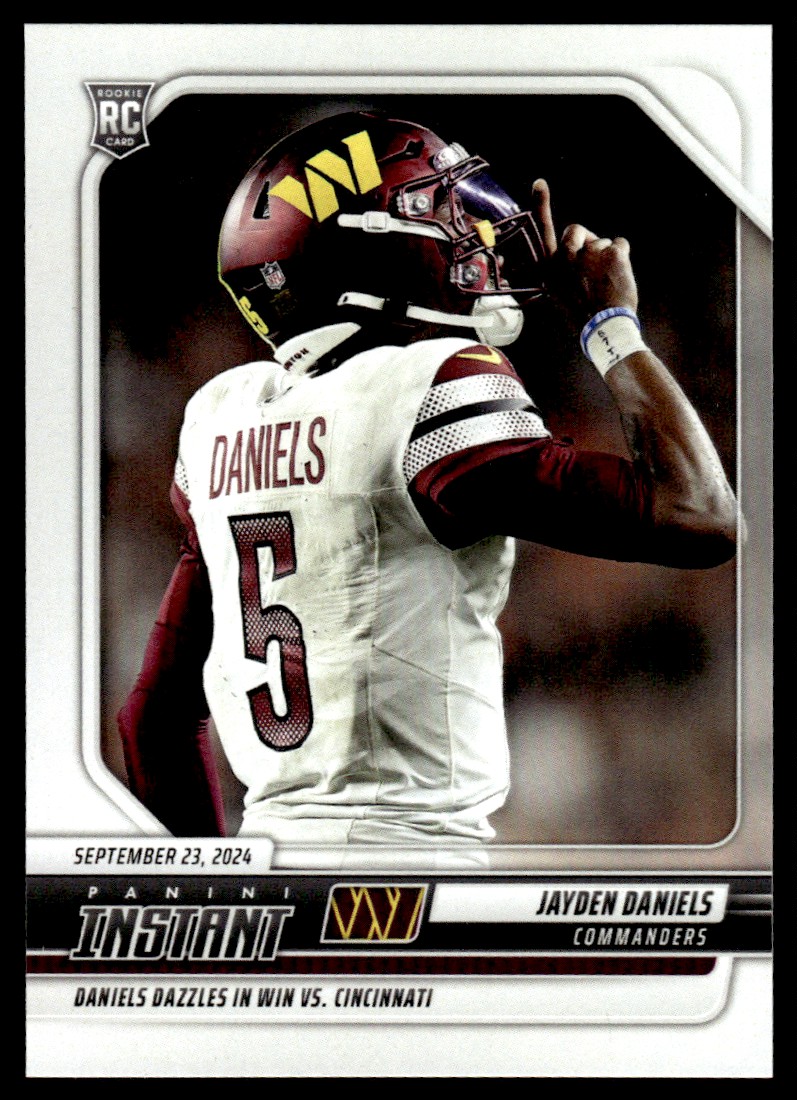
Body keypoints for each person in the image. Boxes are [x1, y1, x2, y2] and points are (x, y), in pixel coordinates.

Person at [118, 109, 738, 863]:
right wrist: (610, 325)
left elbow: (153, 719)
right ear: (371, 251)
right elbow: (700, 514)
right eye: (435, 214)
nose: (475, 238)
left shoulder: (222, 419)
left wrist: (216, 896)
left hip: (276, 862)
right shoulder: (424, 386)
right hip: (413, 865)